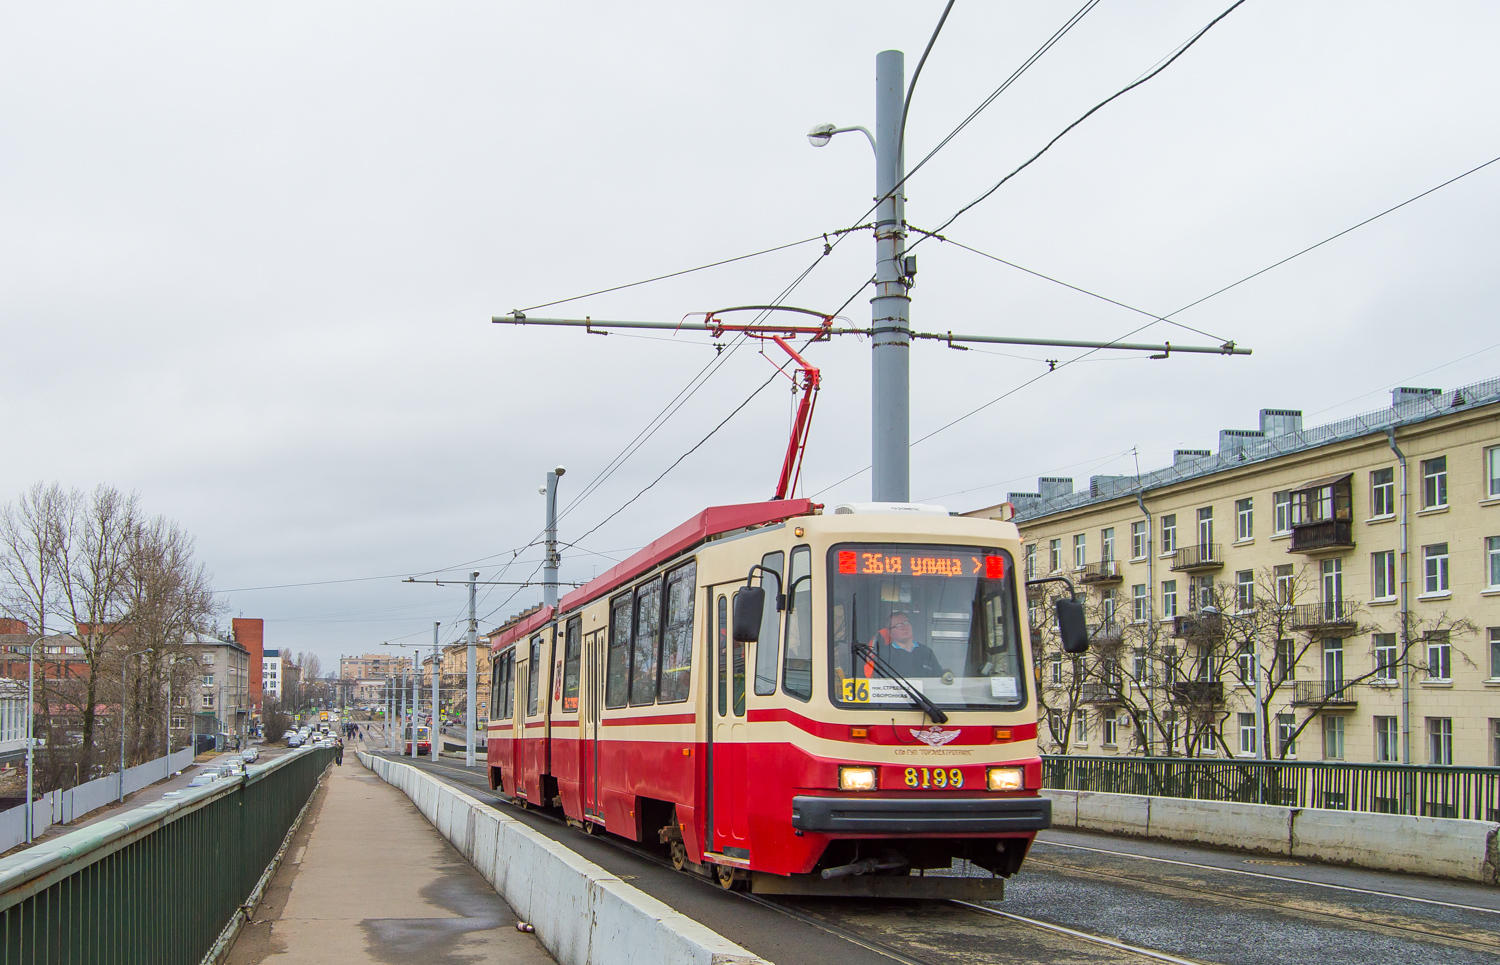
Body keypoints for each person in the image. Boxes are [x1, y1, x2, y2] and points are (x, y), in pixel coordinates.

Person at [864, 612, 945, 678]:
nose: (904, 627)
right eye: (898, 625)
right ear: (890, 633)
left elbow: (938, 678)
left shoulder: (927, 652)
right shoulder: (882, 654)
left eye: (906, 623)